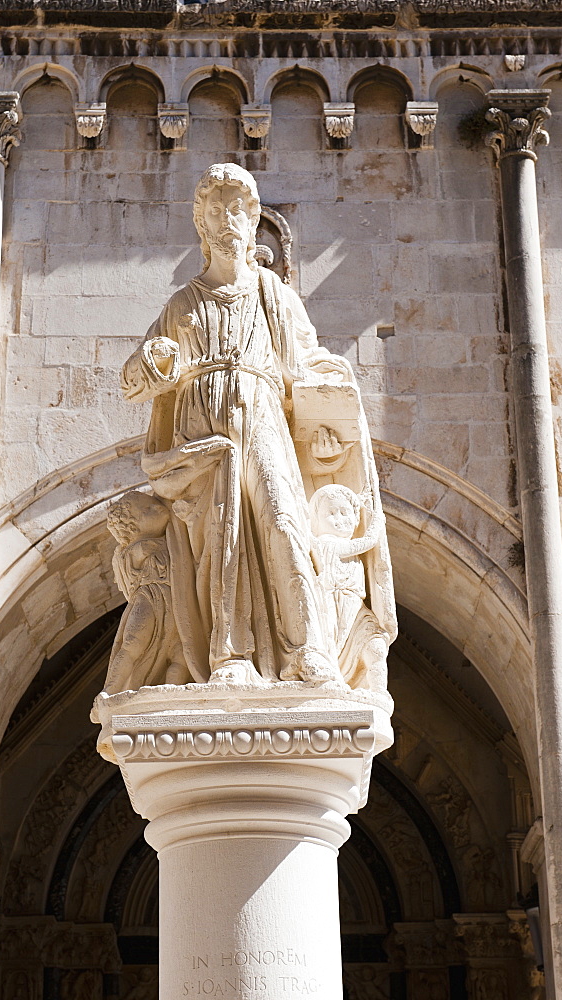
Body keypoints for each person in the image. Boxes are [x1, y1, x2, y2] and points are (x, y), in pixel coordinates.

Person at [121, 163, 396, 686]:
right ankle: (231, 657)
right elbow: (135, 379)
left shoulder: (273, 294)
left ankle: (307, 650)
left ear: (253, 224)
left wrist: (332, 410)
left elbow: (307, 362)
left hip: (262, 414)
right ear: (201, 226)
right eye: (216, 211)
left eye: (238, 210)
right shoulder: (183, 304)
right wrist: (152, 362)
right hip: (201, 432)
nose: (228, 220)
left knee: (284, 521)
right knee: (219, 540)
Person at [103, 490, 187, 694]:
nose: (159, 507)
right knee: (132, 643)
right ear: (133, 527)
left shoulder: (171, 541)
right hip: (149, 600)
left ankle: (171, 692)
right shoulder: (136, 550)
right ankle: (110, 690)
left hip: (179, 603)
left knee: (182, 653)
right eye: (148, 509)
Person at [309, 484, 390, 691]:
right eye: (331, 513)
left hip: (355, 610)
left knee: (376, 646)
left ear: (355, 519)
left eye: (345, 512)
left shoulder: (340, 542)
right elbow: (365, 543)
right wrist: (377, 522)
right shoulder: (326, 542)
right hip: (333, 607)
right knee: (331, 652)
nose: (338, 518)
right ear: (316, 520)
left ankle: (379, 692)